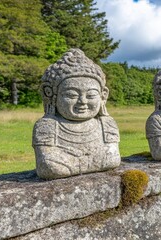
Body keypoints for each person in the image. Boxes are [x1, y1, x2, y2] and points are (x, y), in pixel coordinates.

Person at [33, 49, 120, 179]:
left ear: (103, 96)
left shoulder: (107, 124)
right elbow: (48, 166)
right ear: (50, 95)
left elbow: (113, 159)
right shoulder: (47, 126)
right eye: (71, 95)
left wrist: (70, 161)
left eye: (91, 95)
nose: (82, 101)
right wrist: (96, 160)